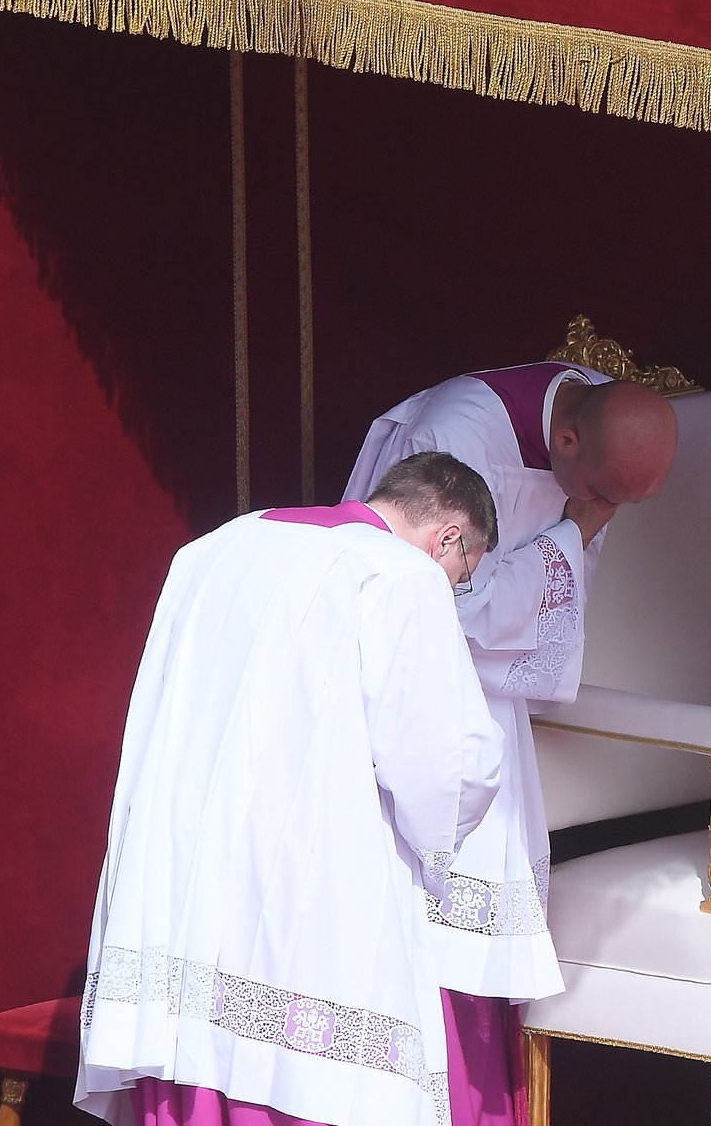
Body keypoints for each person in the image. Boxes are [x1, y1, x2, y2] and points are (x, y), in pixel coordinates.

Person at [77, 452, 507, 1126]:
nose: (452, 586)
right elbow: (446, 763)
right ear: (447, 537)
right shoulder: (400, 575)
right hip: (305, 883)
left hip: (185, 879)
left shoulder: (212, 550)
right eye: (464, 573)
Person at [343, 366, 678, 1005]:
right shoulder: (455, 439)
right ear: (570, 440)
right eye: (603, 495)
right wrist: (573, 532)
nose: (603, 511)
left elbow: (557, 601)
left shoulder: (601, 437)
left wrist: (579, 528)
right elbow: (440, 613)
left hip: (499, 718)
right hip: (419, 705)